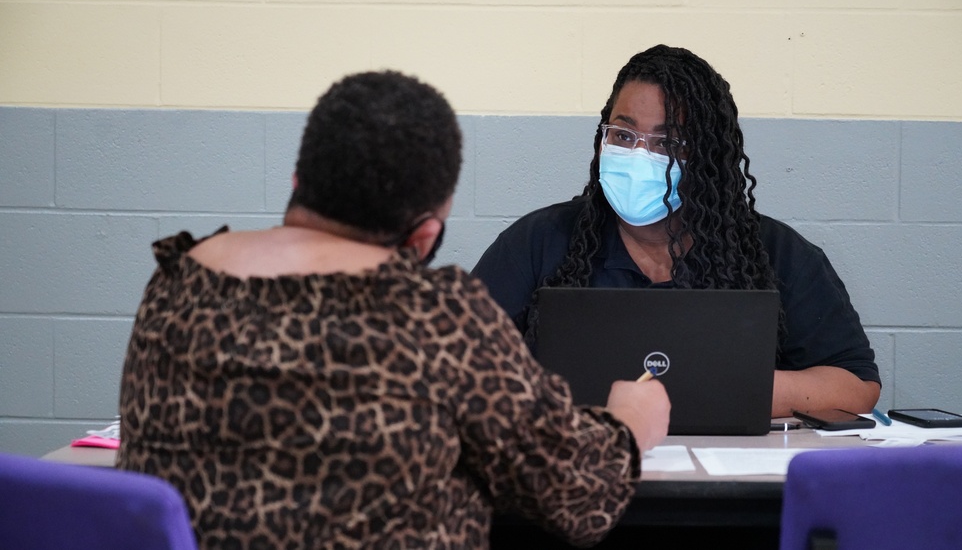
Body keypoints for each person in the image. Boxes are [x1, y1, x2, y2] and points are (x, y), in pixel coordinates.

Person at [115, 70, 670, 549]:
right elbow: (577, 496)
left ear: (298, 182)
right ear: (426, 236)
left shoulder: (176, 283)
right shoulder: (438, 319)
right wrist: (627, 426)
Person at [471, 45, 880, 418]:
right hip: (580, 478)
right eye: (623, 135)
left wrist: (729, 391)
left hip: (733, 487)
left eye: (668, 144)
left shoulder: (776, 253)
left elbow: (856, 387)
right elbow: (457, 370)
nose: (638, 155)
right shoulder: (538, 242)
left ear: (707, 158)